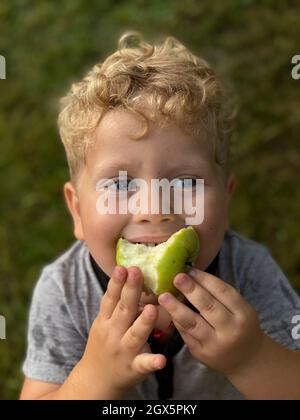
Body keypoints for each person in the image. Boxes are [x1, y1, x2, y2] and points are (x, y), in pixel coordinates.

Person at [20, 31, 300, 400]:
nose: (154, 209)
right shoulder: (65, 291)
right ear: (77, 211)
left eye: (185, 181)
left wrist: (250, 357)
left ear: (225, 202)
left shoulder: (247, 272)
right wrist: (95, 377)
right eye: (120, 184)